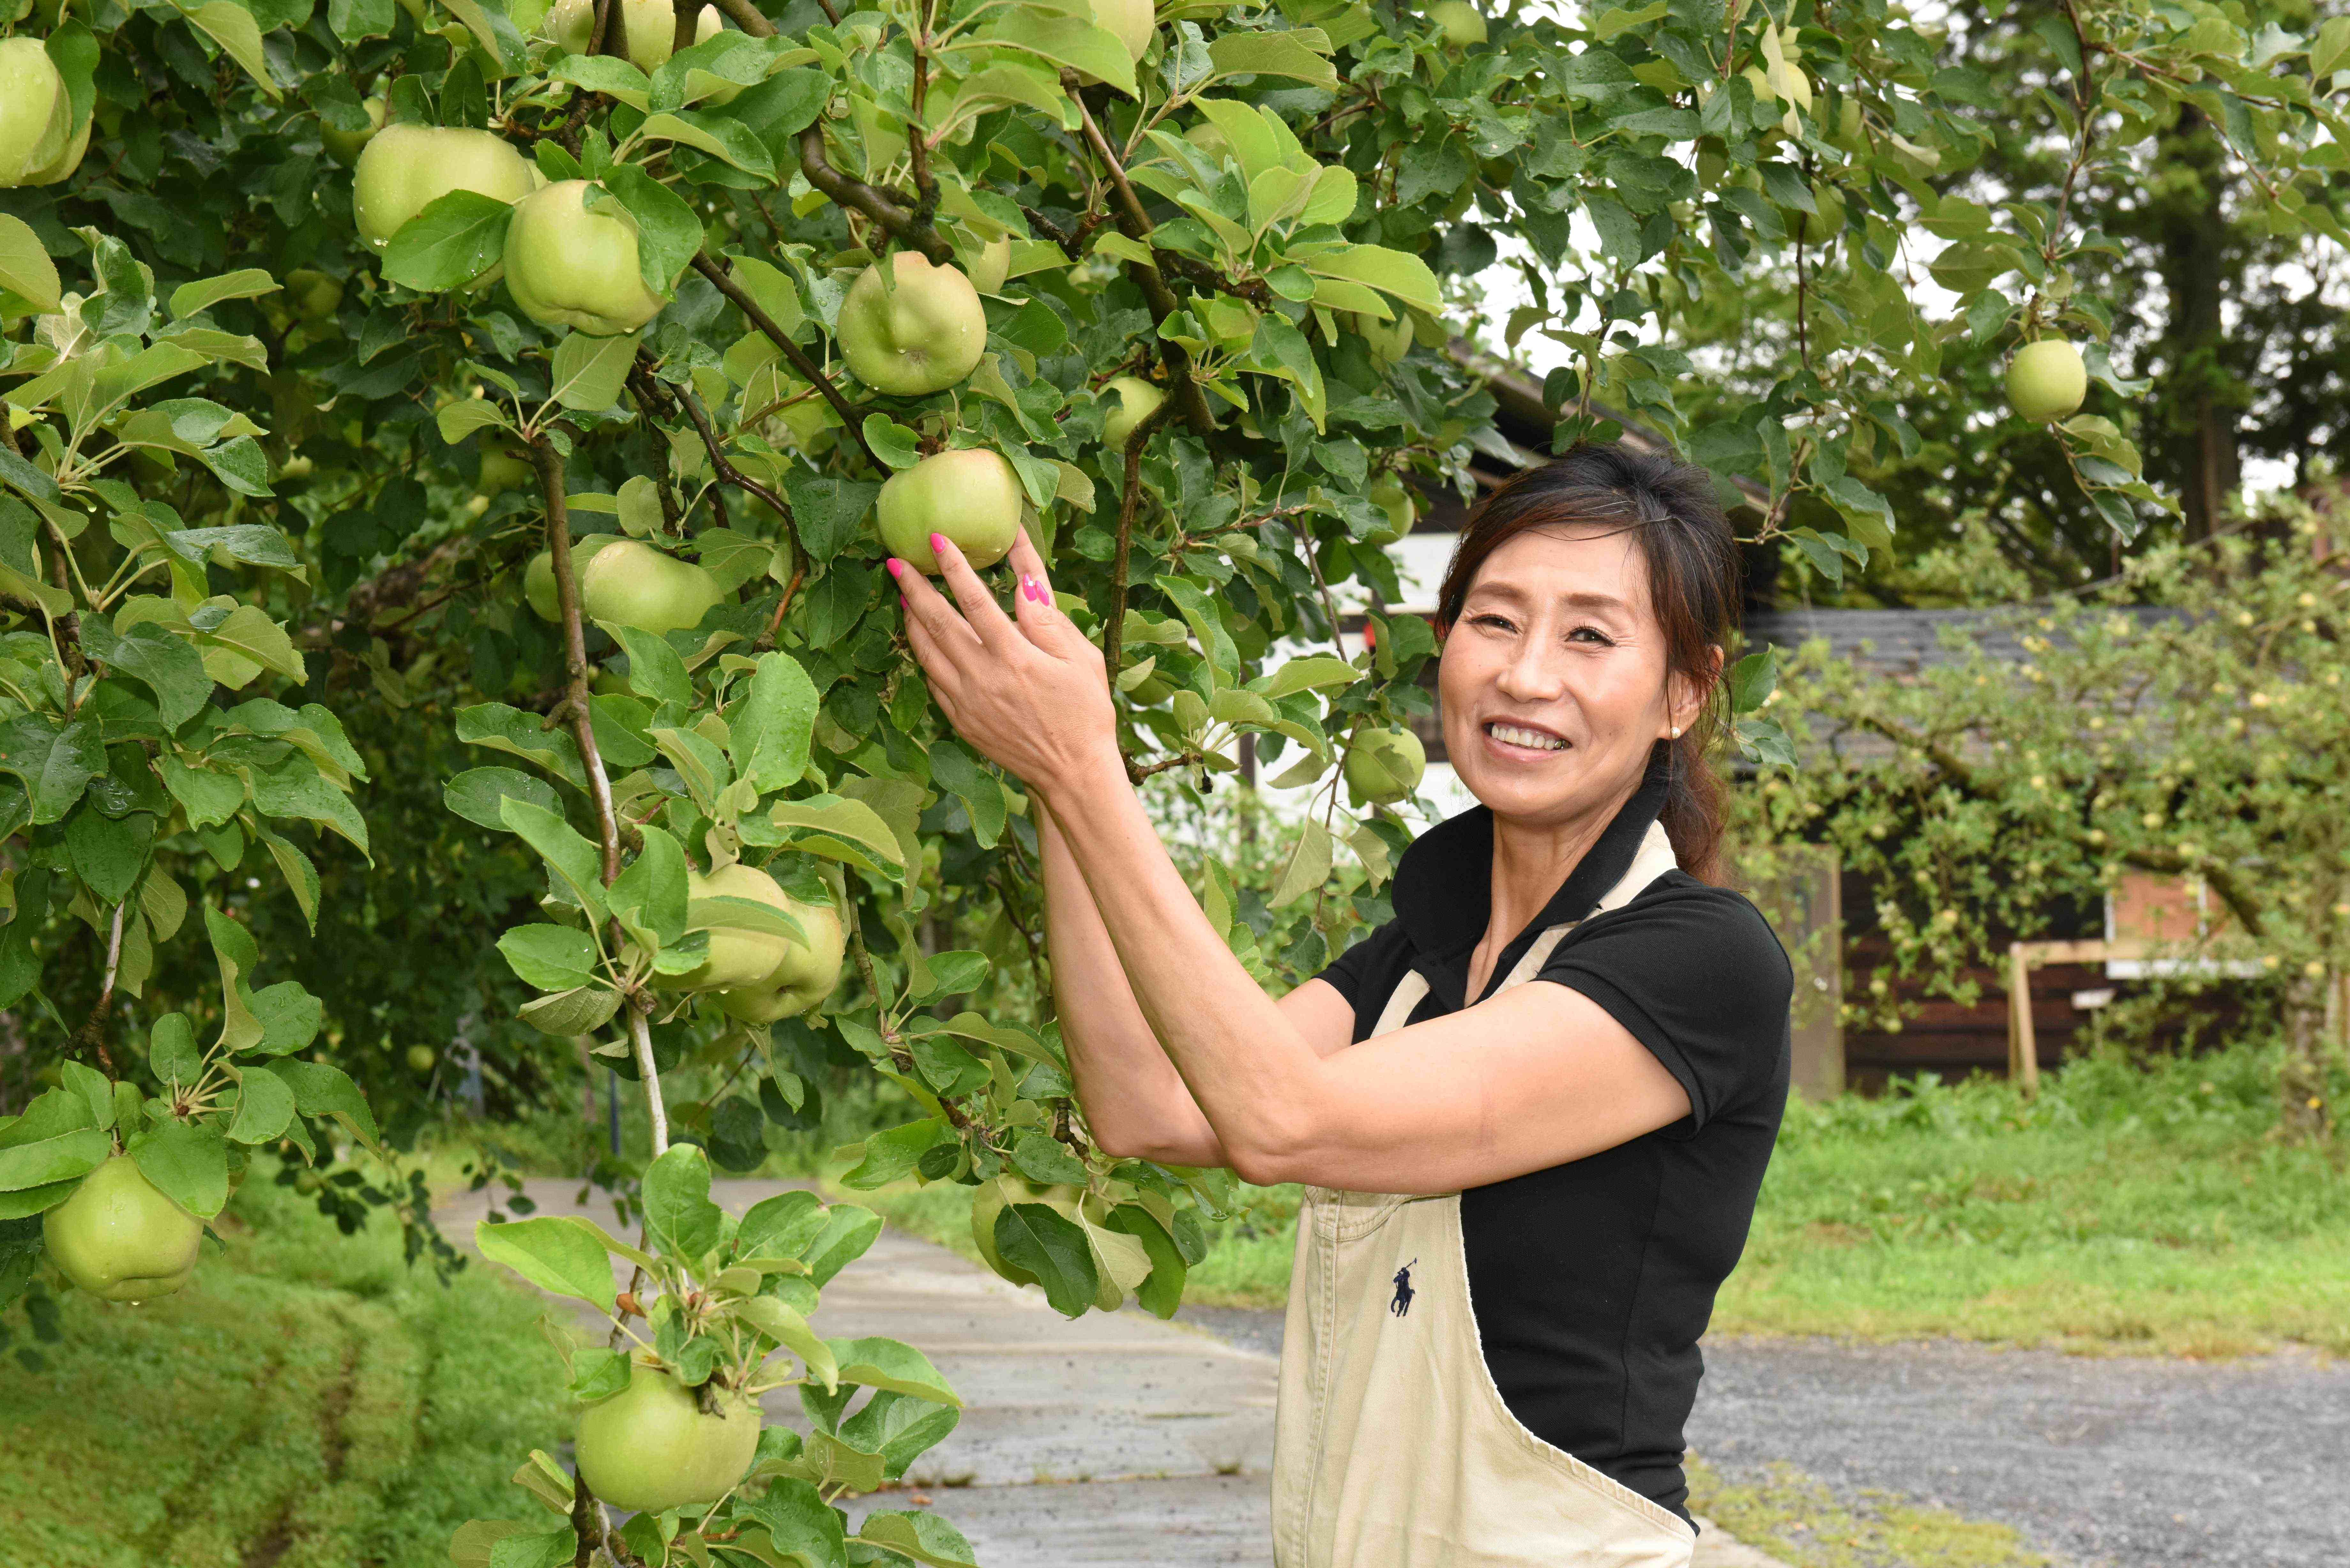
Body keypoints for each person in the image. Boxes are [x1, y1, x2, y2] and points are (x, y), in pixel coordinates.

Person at [891, 441, 1794, 1568]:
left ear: (1685, 692)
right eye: (1496, 620)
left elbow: (1284, 1122)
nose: (1525, 675)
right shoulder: (1414, 962)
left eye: (1591, 636)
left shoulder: (1699, 965)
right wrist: (1055, 776)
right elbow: (1148, 1107)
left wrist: (1087, 770)